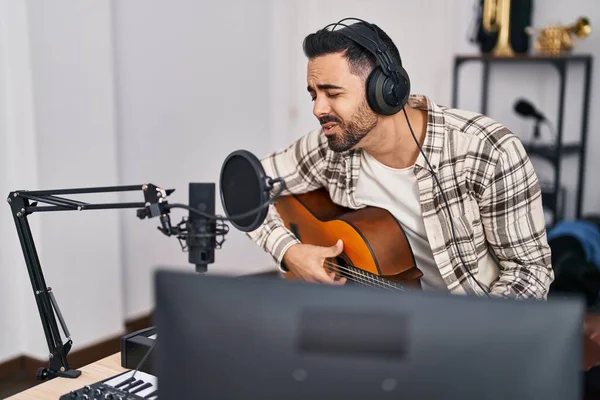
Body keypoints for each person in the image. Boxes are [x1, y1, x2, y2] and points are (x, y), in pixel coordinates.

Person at [246, 18, 554, 299]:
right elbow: (245, 185)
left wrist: (472, 334)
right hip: (376, 326)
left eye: (333, 93)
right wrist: (290, 252)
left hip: (470, 331)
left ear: (386, 90)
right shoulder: (330, 148)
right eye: (314, 94)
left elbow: (530, 271)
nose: (317, 110)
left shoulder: (485, 150)